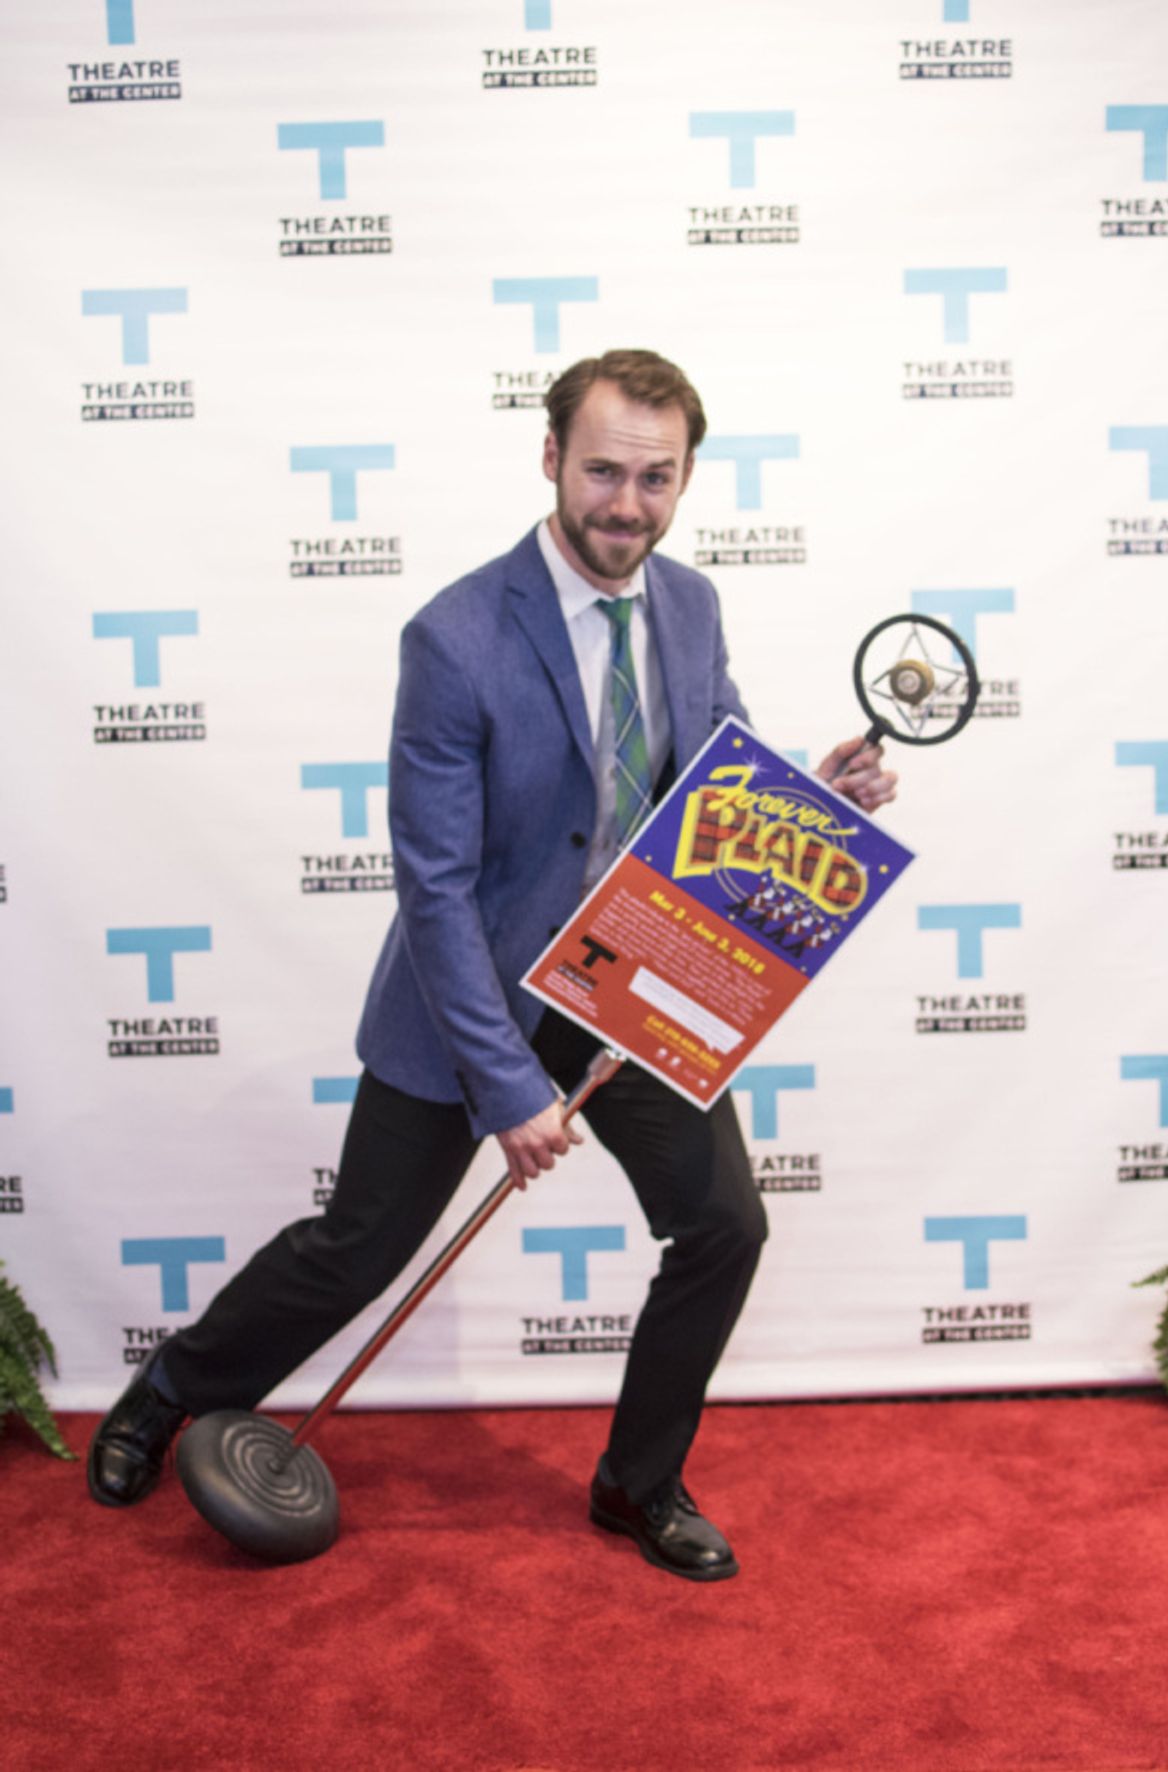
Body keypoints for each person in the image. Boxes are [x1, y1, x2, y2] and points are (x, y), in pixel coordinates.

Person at [88, 348, 896, 1581]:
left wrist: (807, 797)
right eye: (604, 470)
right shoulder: (456, 636)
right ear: (552, 459)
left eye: (656, 476)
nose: (627, 502)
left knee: (725, 1223)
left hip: (625, 983)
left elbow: (705, 777)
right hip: (466, 991)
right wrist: (508, 1085)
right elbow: (436, 888)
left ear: (685, 477)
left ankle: (638, 1486)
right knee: (359, 1246)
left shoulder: (689, 604)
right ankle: (170, 1388)